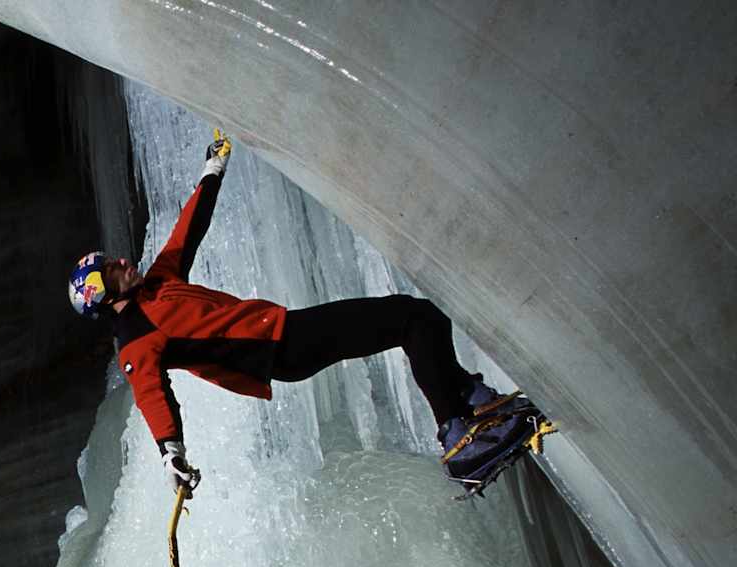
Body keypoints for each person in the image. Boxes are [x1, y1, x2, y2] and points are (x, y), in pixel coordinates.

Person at [67, 131, 542, 494]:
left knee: (418, 318)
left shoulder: (159, 284)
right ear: (104, 297)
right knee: (413, 319)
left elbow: (187, 231)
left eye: (115, 260)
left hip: (286, 334)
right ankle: (458, 436)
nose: (122, 262)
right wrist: (171, 451)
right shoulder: (136, 337)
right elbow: (152, 393)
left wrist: (213, 169)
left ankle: (472, 401)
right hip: (282, 349)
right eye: (111, 270)